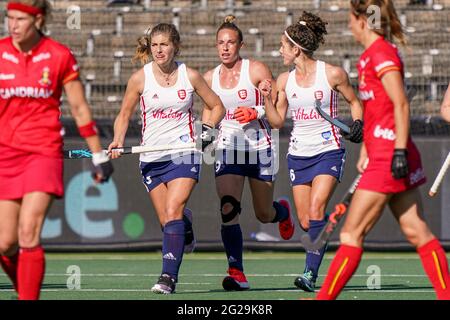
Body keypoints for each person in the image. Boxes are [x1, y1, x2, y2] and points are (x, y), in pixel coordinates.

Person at [315, 0, 450, 300]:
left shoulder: (381, 54)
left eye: (351, 18)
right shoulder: (367, 58)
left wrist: (398, 151)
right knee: (417, 232)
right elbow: (379, 110)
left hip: (390, 156)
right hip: (383, 152)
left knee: (351, 234)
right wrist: (366, 148)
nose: (349, 24)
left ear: (362, 19)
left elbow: (400, 102)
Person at [0, 0, 113, 300]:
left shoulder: (58, 55)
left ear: (38, 20)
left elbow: (78, 108)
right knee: (4, 243)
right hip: (5, 155)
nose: (13, 25)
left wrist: (98, 154)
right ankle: (23, 287)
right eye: (9, 18)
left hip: (42, 153)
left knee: (28, 232)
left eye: (21, 19)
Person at [108, 23, 225, 294]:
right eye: (155, 45)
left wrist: (208, 131)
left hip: (184, 153)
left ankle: (167, 278)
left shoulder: (190, 76)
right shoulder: (140, 78)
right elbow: (124, 114)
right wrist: (117, 140)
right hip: (151, 156)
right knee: (168, 220)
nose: (159, 50)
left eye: (164, 44)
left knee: (172, 210)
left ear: (176, 46)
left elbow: (216, 105)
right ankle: (186, 223)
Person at [263, 11, 364, 292]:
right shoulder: (284, 80)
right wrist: (265, 99)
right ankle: (319, 235)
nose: (280, 50)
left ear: (296, 48)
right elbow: (277, 121)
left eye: (283, 46)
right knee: (307, 220)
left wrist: (358, 123)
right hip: (298, 154)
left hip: (329, 150)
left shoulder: (332, 73)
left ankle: (310, 274)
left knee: (317, 208)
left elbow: (355, 102)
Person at [202, 15, 295, 291]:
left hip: (259, 150)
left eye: (231, 42)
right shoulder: (209, 78)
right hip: (228, 150)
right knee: (228, 207)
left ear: (240, 44)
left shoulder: (255, 70)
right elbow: (208, 114)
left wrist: (257, 109)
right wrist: (205, 135)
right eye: (220, 43)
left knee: (263, 214)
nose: (225, 47)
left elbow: (277, 118)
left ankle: (282, 212)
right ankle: (236, 272)